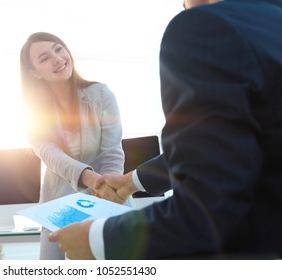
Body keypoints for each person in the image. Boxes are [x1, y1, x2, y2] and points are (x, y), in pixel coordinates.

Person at [48, 0, 282, 259]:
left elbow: (210, 211)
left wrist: (98, 239)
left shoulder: (207, 26)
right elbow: (227, 149)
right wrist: (129, 181)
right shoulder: (270, 21)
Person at [20, 32, 131, 259]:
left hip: (108, 199)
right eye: (44, 58)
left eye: (58, 49)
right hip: (59, 210)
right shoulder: (32, 116)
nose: (57, 58)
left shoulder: (101, 94)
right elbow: (53, 157)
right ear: (34, 73)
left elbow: (112, 152)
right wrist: (92, 179)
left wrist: (106, 192)